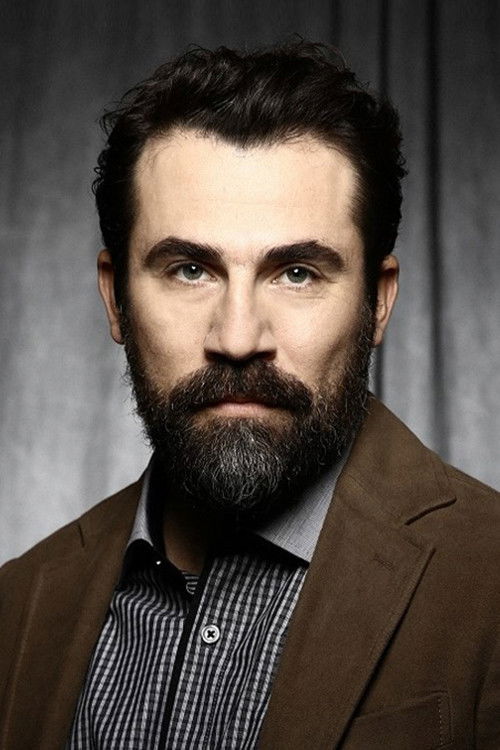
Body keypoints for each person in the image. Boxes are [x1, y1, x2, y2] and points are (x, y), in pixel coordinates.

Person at [0, 40, 498, 750]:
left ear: (378, 303)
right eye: (189, 270)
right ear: (116, 300)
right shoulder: (18, 609)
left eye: (296, 273)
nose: (237, 339)